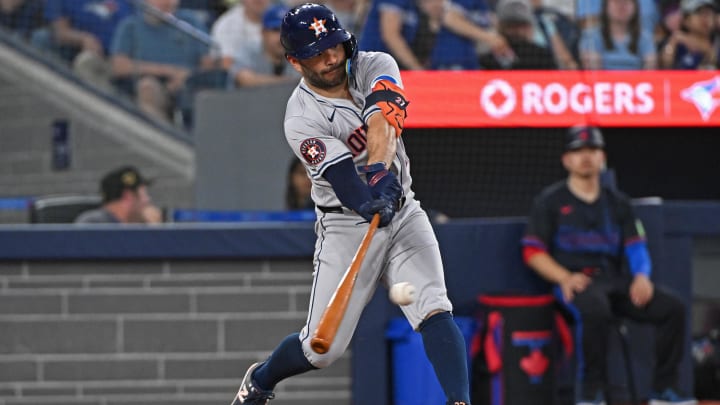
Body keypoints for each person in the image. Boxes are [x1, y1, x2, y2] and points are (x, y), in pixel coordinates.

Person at [229, 3, 471, 405]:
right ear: (294, 61)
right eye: (316, 52)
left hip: (403, 207)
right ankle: (262, 379)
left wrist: (379, 173)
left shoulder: (375, 63)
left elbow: (382, 118)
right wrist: (368, 197)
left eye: (334, 46)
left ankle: (459, 401)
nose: (330, 58)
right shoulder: (300, 117)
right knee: (320, 350)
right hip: (345, 224)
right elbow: (343, 180)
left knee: (434, 306)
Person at [520, 126, 696, 405]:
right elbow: (532, 252)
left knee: (672, 308)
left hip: (614, 282)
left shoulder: (618, 203)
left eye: (592, 150)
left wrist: (642, 277)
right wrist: (564, 277)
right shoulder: (550, 201)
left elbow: (636, 247)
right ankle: (591, 394)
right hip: (575, 283)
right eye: (578, 151)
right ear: (567, 159)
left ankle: (664, 390)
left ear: (602, 157)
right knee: (595, 309)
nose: (585, 157)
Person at [110, 0, 215, 123]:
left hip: (190, 87)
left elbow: (208, 64)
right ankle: (161, 137)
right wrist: (167, 71)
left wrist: (189, 78)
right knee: (147, 87)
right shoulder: (131, 26)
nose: (167, 2)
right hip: (151, 86)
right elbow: (119, 67)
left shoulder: (191, 23)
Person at [230, 4, 301, 87]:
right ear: (263, 32)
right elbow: (245, 80)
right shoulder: (249, 50)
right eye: (276, 30)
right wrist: (291, 83)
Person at [578, 0, 658, 69]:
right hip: (603, 84)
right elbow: (591, 72)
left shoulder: (645, 38)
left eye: (627, 2)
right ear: (605, 6)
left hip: (637, 83)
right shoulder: (592, 36)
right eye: (616, 1)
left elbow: (650, 69)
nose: (622, 6)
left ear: (635, 7)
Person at [75, 166, 161, 224]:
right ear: (128, 196)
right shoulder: (93, 224)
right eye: (144, 194)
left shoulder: (133, 225)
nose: (147, 200)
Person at [658, 0, 718, 69]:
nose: (705, 17)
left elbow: (713, 56)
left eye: (709, 13)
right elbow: (666, 64)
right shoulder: (677, 40)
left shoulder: (716, 41)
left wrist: (688, 40)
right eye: (700, 12)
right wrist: (673, 42)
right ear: (686, 20)